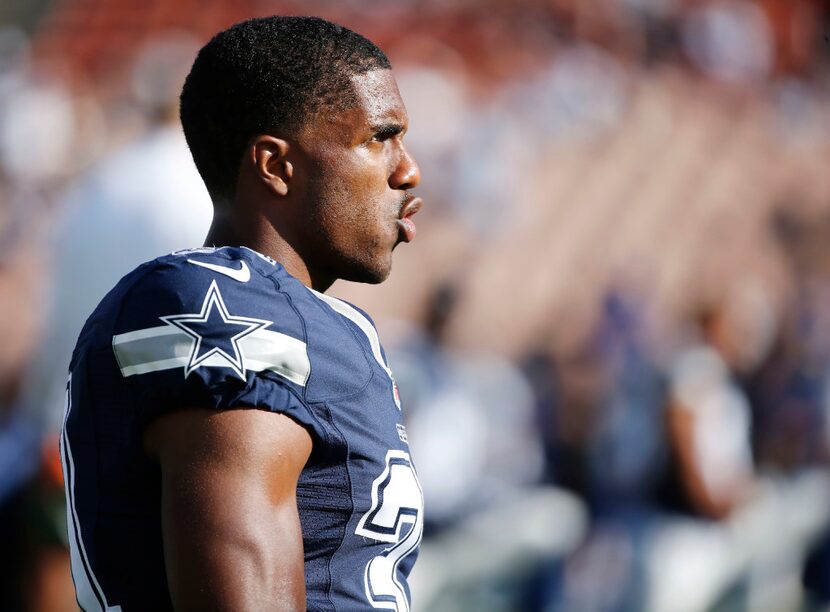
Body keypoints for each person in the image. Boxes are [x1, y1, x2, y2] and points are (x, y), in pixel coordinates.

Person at [59, 16, 424, 612]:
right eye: (378, 138)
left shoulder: (337, 325)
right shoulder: (219, 301)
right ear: (275, 166)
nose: (408, 170)